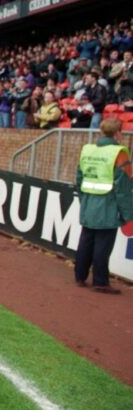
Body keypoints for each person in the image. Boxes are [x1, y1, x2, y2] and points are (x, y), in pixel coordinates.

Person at [74, 118, 133, 294]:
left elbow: (79, 178)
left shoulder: (88, 150)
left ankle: (80, 276)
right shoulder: (119, 153)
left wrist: (84, 200)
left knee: (86, 240)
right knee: (103, 245)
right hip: (108, 206)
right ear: (117, 133)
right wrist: (127, 214)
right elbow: (123, 188)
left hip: (88, 203)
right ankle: (100, 281)